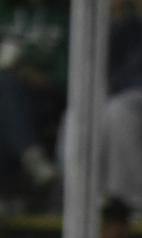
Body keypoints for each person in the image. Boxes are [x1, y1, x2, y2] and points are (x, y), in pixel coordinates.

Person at [59, 0, 142, 218]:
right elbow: (84, 65)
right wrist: (114, 21)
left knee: (119, 113)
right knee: (77, 119)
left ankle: (134, 204)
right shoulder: (96, 7)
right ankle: (83, 204)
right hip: (105, 93)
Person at [0, 0, 65, 207]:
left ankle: (10, 194)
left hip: (43, 99)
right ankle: (30, 157)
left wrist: (33, 76)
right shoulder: (4, 9)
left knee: (6, 85)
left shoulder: (63, 17)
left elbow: (68, 78)